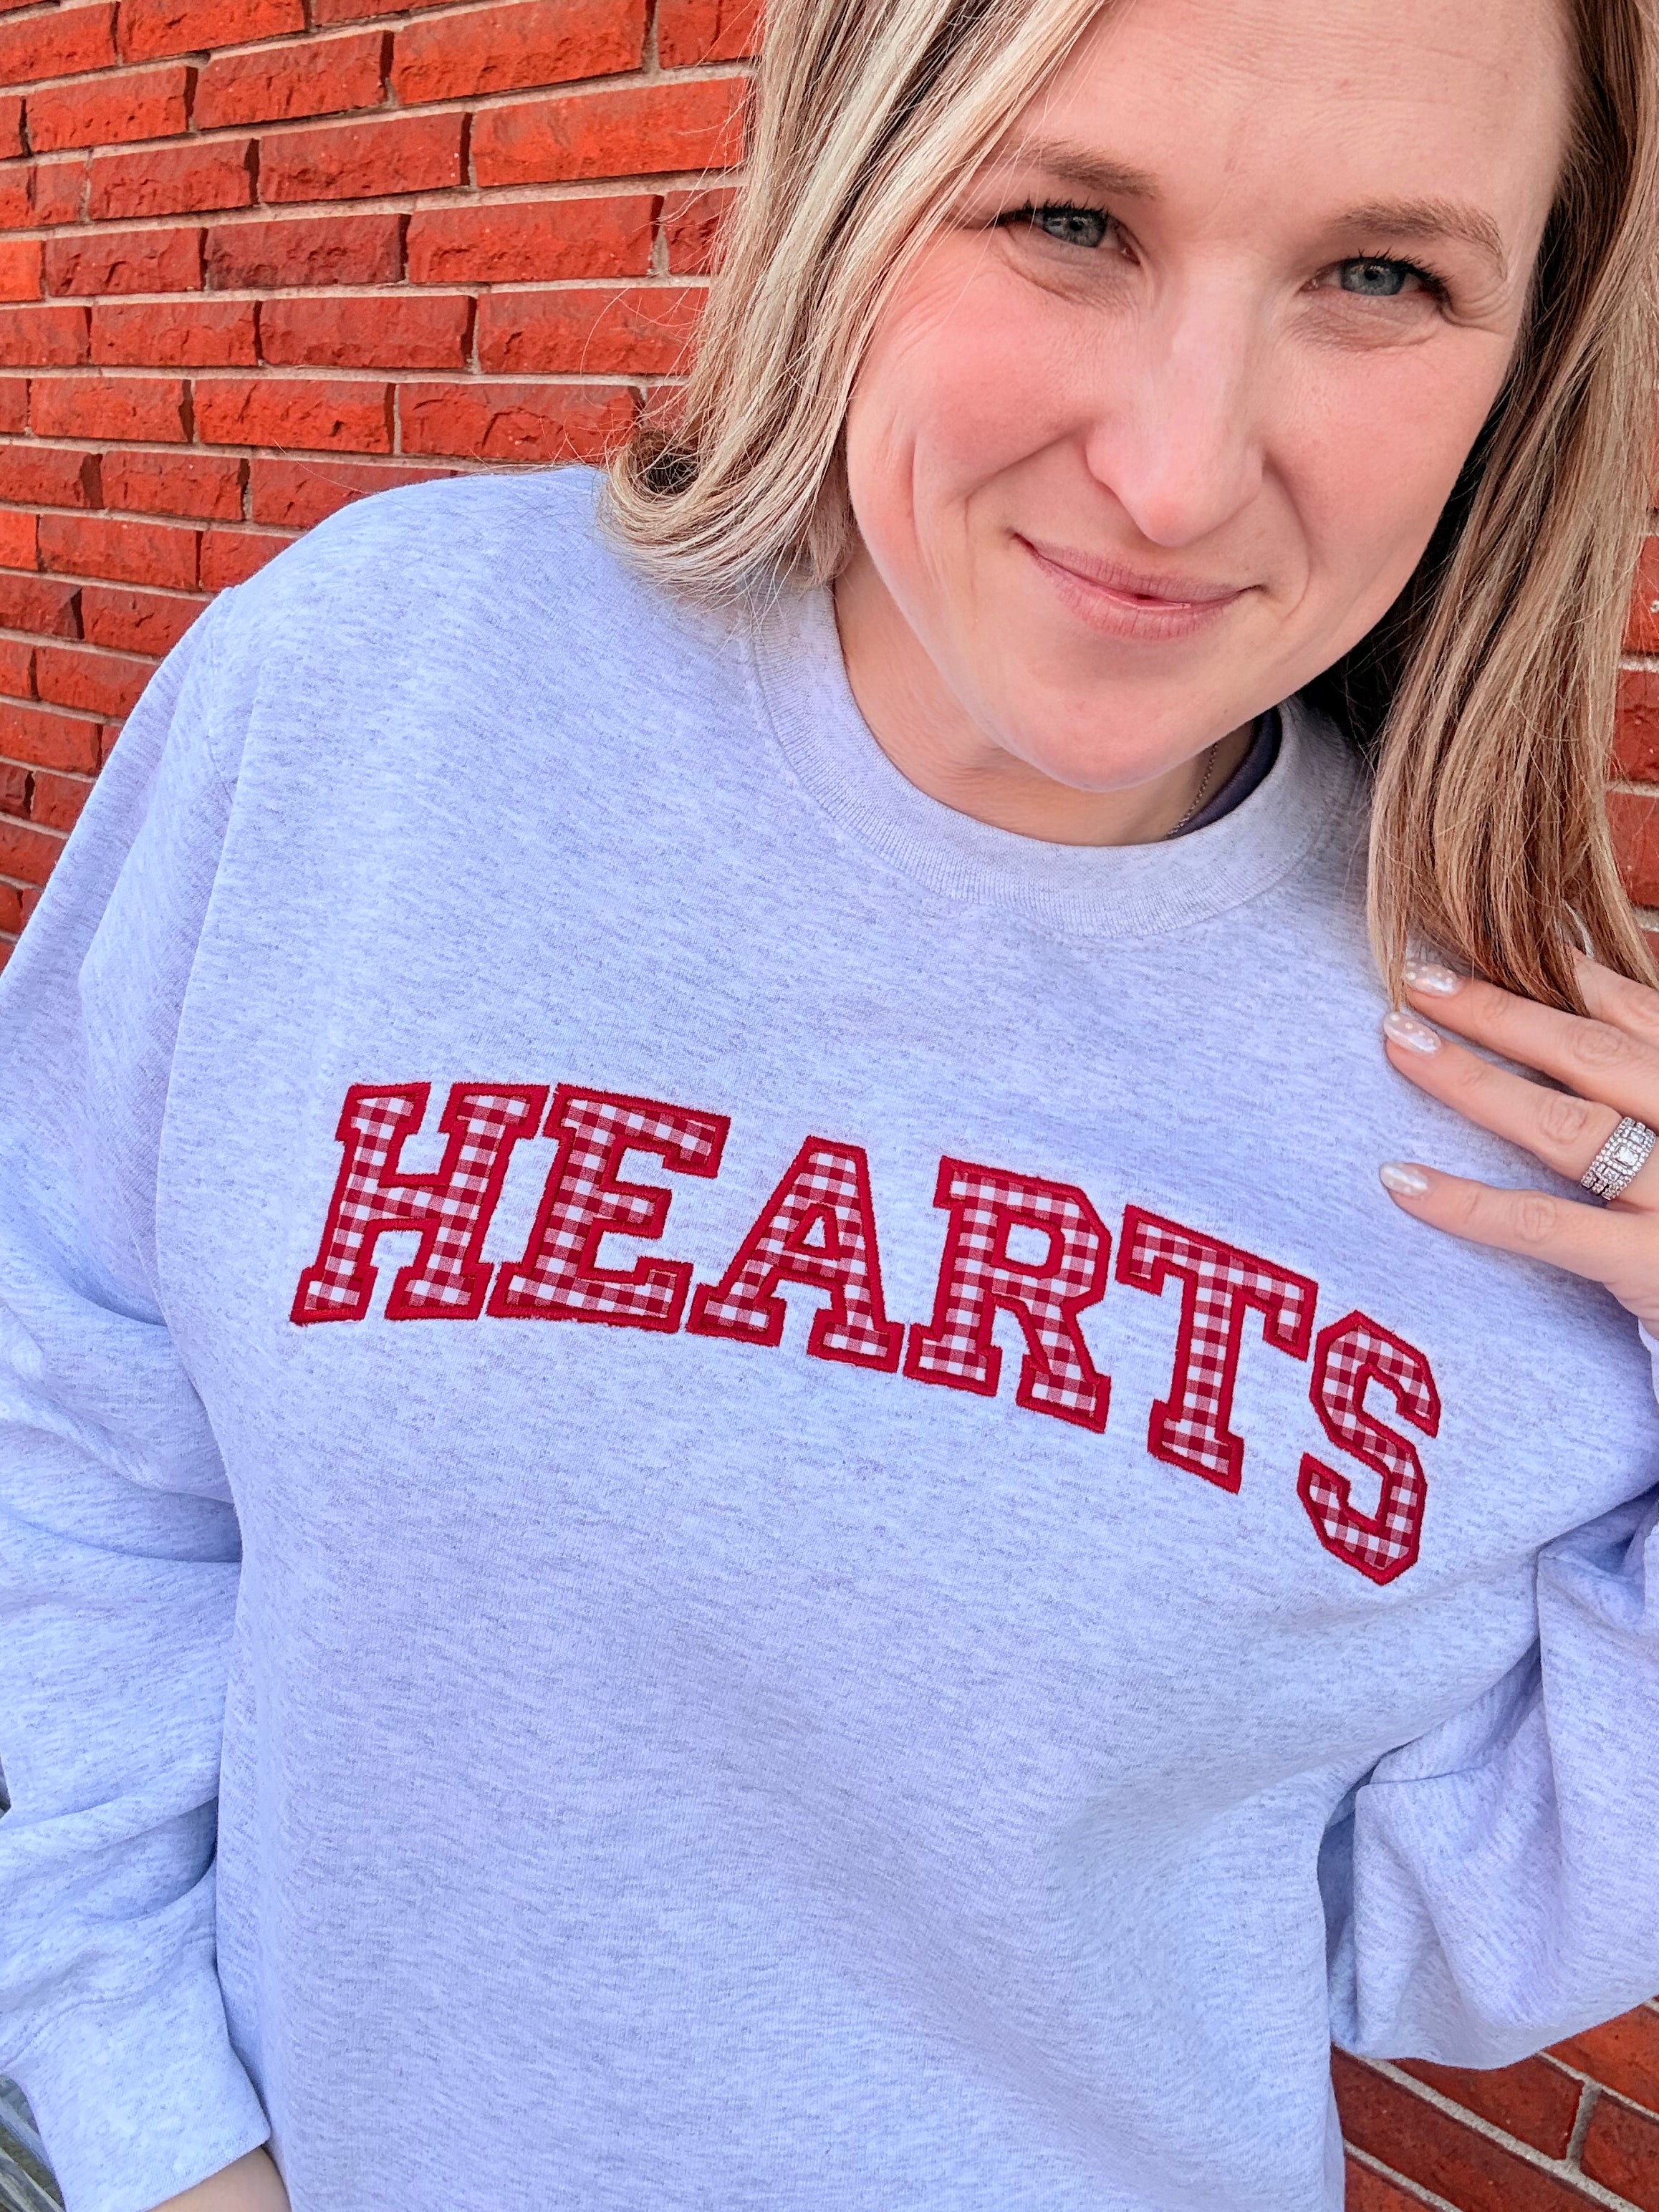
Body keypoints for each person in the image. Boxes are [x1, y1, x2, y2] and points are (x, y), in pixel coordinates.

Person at [1, 0, 1657, 2204]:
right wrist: (145, 2117)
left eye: (1380, 275)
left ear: (1529, 344)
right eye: (1067, 220)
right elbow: (73, 1430)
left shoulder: (1510, 1118)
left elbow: (1417, 1945)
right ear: (851, 183)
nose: (1175, 471)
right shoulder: (382, 694)